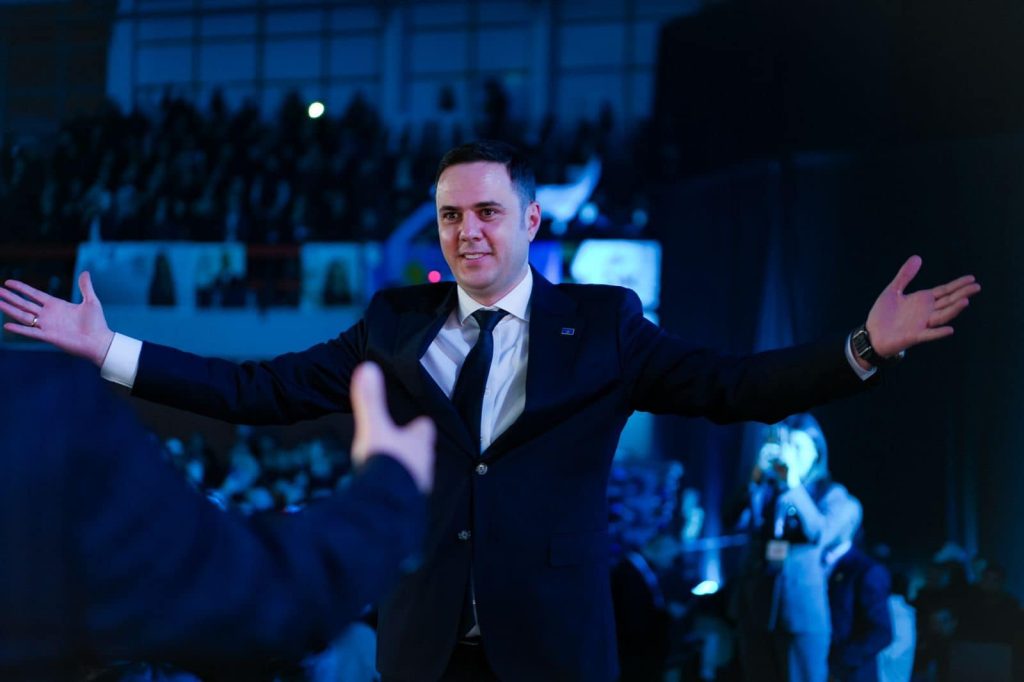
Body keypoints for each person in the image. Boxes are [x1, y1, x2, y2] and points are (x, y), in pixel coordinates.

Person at [0, 140, 980, 681]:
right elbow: (258, 391)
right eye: (450, 215)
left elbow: (733, 387)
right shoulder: (393, 323)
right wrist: (109, 349)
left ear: (530, 220)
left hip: (554, 650)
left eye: (486, 212)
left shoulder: (605, 325)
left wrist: (860, 347)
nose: (466, 231)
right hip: (421, 649)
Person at [0, 354, 434, 681]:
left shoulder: (42, 412)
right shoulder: (46, 412)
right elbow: (252, 595)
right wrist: (392, 482)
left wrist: (110, 347)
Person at [732, 414, 864, 682]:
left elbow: (820, 533)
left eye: (799, 447)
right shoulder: (767, 490)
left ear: (817, 452)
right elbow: (733, 520)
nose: (790, 454)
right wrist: (756, 475)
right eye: (787, 446)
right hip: (757, 611)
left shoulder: (833, 495)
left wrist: (792, 484)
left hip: (801, 615)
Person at [824, 497, 894, 682]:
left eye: (830, 515)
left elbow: (882, 631)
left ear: (850, 524)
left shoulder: (866, 570)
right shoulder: (813, 565)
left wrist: (837, 663)